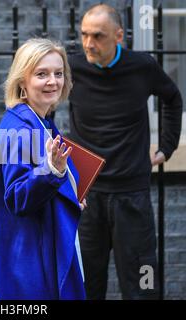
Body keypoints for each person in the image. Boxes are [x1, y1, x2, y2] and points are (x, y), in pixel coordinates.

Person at [68, 4, 183, 300]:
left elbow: (172, 97)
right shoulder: (72, 68)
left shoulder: (142, 67)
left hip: (132, 194)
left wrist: (167, 146)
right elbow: (39, 100)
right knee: (85, 285)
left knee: (142, 284)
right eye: (84, 35)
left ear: (119, 36)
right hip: (86, 195)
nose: (89, 44)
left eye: (98, 36)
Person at [0, 38, 86, 300]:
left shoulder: (40, 119)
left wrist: (71, 195)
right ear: (22, 81)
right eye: (41, 74)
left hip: (28, 252)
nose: (53, 81)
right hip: (23, 261)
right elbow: (17, 197)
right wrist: (51, 170)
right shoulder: (20, 129)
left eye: (58, 73)